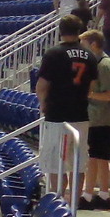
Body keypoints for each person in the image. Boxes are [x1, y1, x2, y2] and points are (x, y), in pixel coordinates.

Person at [35, 15, 96, 202]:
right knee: (77, 161)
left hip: (57, 114)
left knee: (56, 162)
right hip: (80, 113)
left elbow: (42, 85)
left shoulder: (54, 54)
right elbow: (92, 87)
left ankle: (56, 199)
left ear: (60, 31)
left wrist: (43, 103)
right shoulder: (90, 55)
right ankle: (75, 202)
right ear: (79, 31)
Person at [79, 30, 110, 210]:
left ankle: (98, 195)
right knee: (96, 158)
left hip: (104, 118)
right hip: (97, 117)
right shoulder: (96, 64)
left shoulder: (104, 65)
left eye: (84, 45)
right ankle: (93, 194)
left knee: (100, 157)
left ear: (93, 45)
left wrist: (88, 94)